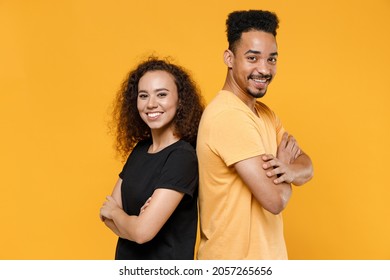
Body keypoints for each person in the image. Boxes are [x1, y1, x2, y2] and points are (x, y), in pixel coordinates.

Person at [196, 10, 314, 259]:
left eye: (272, 59)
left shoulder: (266, 114)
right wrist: (287, 176)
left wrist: (288, 170)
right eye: (252, 58)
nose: (264, 69)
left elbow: (308, 165)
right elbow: (275, 200)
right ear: (229, 58)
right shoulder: (227, 116)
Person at [100, 57, 204, 260]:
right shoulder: (140, 150)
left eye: (162, 95)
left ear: (180, 100)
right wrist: (134, 221)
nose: (151, 104)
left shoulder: (182, 157)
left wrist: (119, 214)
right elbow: (105, 215)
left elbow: (141, 233)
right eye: (143, 95)